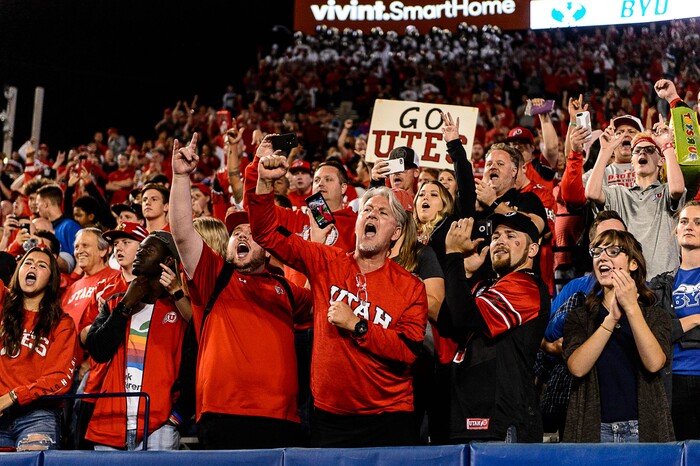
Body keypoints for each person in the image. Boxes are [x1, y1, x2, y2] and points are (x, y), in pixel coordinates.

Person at [248, 136, 428, 448]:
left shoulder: (411, 286)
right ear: (356, 224)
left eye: (383, 213)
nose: (371, 215)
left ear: (396, 232)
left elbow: (409, 351)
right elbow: (265, 232)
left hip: (390, 417)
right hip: (330, 418)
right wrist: (261, 180)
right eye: (367, 210)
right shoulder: (325, 261)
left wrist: (358, 326)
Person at [170, 133, 314, 450]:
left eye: (252, 230)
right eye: (236, 232)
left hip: (283, 420)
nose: (241, 236)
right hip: (223, 416)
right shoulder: (213, 277)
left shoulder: (289, 291)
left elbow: (329, 297)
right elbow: (182, 233)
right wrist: (181, 178)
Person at [437, 212, 549, 443]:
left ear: (532, 250)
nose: (500, 240)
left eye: (511, 235)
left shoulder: (526, 285)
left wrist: (454, 256)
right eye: (496, 235)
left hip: (502, 422)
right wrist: (466, 274)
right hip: (468, 414)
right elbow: (448, 324)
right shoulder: (484, 285)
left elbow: (464, 317)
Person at [563, 230, 673, 442]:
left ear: (633, 263)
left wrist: (631, 308)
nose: (602, 257)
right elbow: (577, 367)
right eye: (597, 252)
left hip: (641, 430)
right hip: (594, 430)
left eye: (613, 251)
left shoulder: (655, 315)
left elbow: (654, 363)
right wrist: (611, 320)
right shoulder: (580, 317)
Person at [84, 231, 188, 450]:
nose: (140, 253)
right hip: (110, 424)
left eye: (148, 250)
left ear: (168, 261)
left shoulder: (180, 310)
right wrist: (124, 306)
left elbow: (193, 368)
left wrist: (176, 416)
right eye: (139, 249)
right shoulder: (114, 302)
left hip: (159, 426)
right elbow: (98, 350)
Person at [0, 247, 78, 451]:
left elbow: (60, 379)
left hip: (38, 415)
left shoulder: (62, 323)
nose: (33, 266)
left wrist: (12, 397)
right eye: (27, 262)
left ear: (52, 279)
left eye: (42, 265)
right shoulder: (2, 301)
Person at [585, 121, 686, 280]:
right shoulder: (619, 194)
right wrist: (605, 151)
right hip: (627, 282)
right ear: (632, 162)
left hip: (664, 284)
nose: (642, 154)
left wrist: (667, 146)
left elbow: (678, 189)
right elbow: (591, 193)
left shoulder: (666, 190)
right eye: (637, 151)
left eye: (649, 150)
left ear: (660, 160)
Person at [649, 201, 700, 440]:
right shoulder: (661, 284)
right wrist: (695, 319)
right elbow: (657, 333)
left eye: (698, 223)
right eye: (684, 222)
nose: (689, 226)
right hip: (673, 379)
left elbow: (669, 329)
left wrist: (678, 327)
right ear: (676, 231)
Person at [35, 184, 81, 258]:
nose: (37, 210)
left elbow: (79, 257)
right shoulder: (46, 227)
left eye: (37, 205)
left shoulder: (70, 226)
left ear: (45, 204)